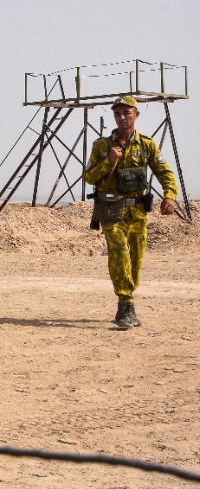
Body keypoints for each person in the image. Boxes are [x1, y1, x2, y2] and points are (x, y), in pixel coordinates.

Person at [83, 95, 178, 329]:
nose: (122, 117)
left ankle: (126, 301)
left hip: (137, 213)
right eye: (118, 114)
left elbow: (164, 170)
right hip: (111, 211)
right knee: (119, 254)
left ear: (136, 115)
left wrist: (170, 195)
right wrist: (108, 161)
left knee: (135, 259)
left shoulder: (147, 144)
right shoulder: (102, 146)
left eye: (127, 113)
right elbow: (89, 177)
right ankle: (126, 303)